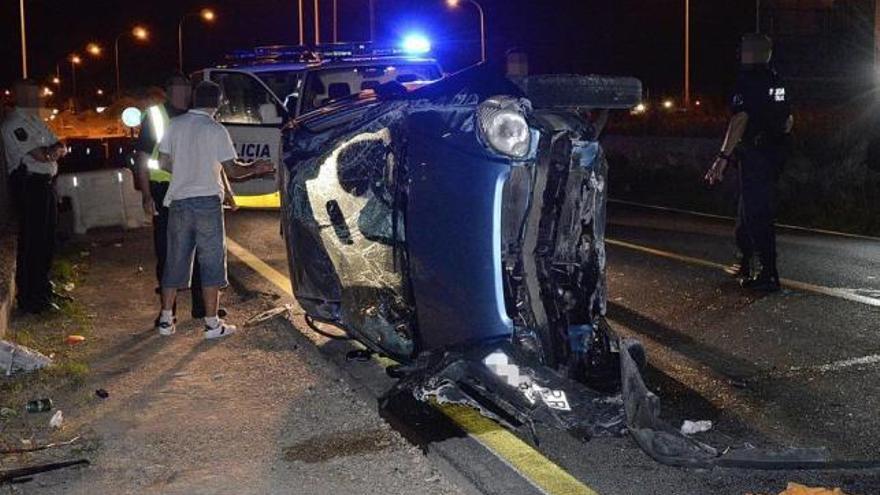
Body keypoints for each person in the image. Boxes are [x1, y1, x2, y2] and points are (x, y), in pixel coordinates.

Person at [155, 81, 274, 339]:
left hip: (178, 201)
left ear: (193, 100)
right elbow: (233, 170)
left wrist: (186, 170)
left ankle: (165, 320)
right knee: (210, 263)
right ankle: (211, 324)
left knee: (174, 259)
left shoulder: (174, 125)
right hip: (207, 202)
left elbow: (162, 161)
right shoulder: (216, 129)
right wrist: (256, 167)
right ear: (218, 102)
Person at [705, 34, 793, 292]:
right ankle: (746, 261)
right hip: (773, 154)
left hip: (755, 154)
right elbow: (788, 120)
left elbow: (739, 120)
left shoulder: (746, 81)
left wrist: (721, 158)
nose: (739, 53)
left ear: (750, 53)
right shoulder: (776, 79)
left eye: (742, 50)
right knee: (747, 212)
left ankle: (768, 273)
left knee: (756, 213)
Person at [135, 74, 207, 320]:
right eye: (180, 87)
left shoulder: (197, 114)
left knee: (200, 250)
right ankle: (168, 312)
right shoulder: (155, 116)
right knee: (168, 252)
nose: (185, 93)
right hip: (165, 190)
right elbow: (143, 158)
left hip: (194, 189)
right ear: (168, 90)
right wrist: (146, 194)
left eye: (188, 88)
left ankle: (202, 308)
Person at [1, 80, 68, 313]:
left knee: (47, 241)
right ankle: (31, 298)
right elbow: (42, 155)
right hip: (30, 186)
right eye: (34, 95)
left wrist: (54, 151)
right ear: (22, 96)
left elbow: (60, 146)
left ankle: (43, 290)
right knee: (33, 242)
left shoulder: (35, 121)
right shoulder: (13, 124)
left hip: (45, 185)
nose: (39, 98)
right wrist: (52, 151)